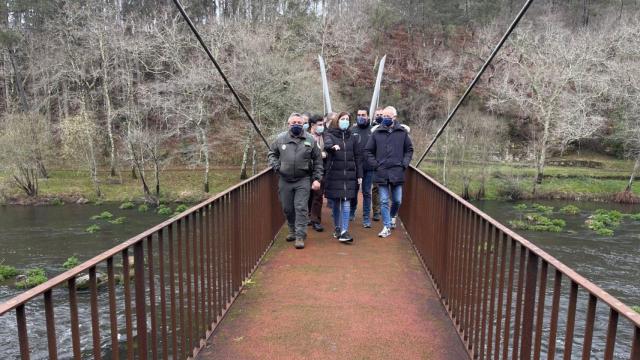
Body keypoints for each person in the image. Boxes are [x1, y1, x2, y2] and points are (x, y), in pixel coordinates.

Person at [268, 113, 323, 249]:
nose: (297, 125)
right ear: (288, 125)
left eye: (299, 123)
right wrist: (277, 166)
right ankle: (292, 230)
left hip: (303, 179)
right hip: (285, 179)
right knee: (287, 208)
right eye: (294, 123)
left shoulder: (310, 140)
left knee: (300, 207)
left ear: (303, 124)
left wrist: (317, 179)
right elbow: (272, 154)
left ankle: (300, 236)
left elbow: (317, 160)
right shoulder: (280, 139)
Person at [364, 106, 413, 238]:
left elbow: (409, 149)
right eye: (383, 116)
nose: (384, 119)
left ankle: (392, 217)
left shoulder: (402, 133)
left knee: (397, 200)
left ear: (394, 118)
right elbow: (368, 151)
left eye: (387, 117)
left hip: (397, 171)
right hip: (382, 171)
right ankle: (386, 226)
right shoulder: (376, 132)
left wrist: (404, 164)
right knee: (384, 200)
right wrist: (376, 165)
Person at [324, 111, 362, 243]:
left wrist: (359, 175)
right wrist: (332, 147)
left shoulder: (353, 137)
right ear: (337, 120)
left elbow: (358, 156)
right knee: (336, 203)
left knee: (346, 202)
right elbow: (327, 145)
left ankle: (345, 231)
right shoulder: (330, 134)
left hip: (349, 175)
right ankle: (338, 227)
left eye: (347, 119)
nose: (345, 121)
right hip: (335, 174)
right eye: (343, 119)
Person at [349, 107, 375, 228]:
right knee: (353, 191)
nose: (361, 117)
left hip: (369, 167)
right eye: (359, 115)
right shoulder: (352, 130)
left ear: (368, 116)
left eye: (363, 115)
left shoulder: (373, 131)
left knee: (366, 192)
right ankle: (352, 211)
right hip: (354, 167)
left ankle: (366, 217)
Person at [307, 115, 326, 232]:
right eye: (319, 125)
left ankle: (316, 220)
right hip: (306, 170)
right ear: (312, 125)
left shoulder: (324, 137)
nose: (321, 127)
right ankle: (309, 216)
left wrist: (325, 154)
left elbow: (328, 149)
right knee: (308, 195)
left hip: (320, 170)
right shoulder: (305, 137)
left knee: (318, 195)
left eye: (322, 124)